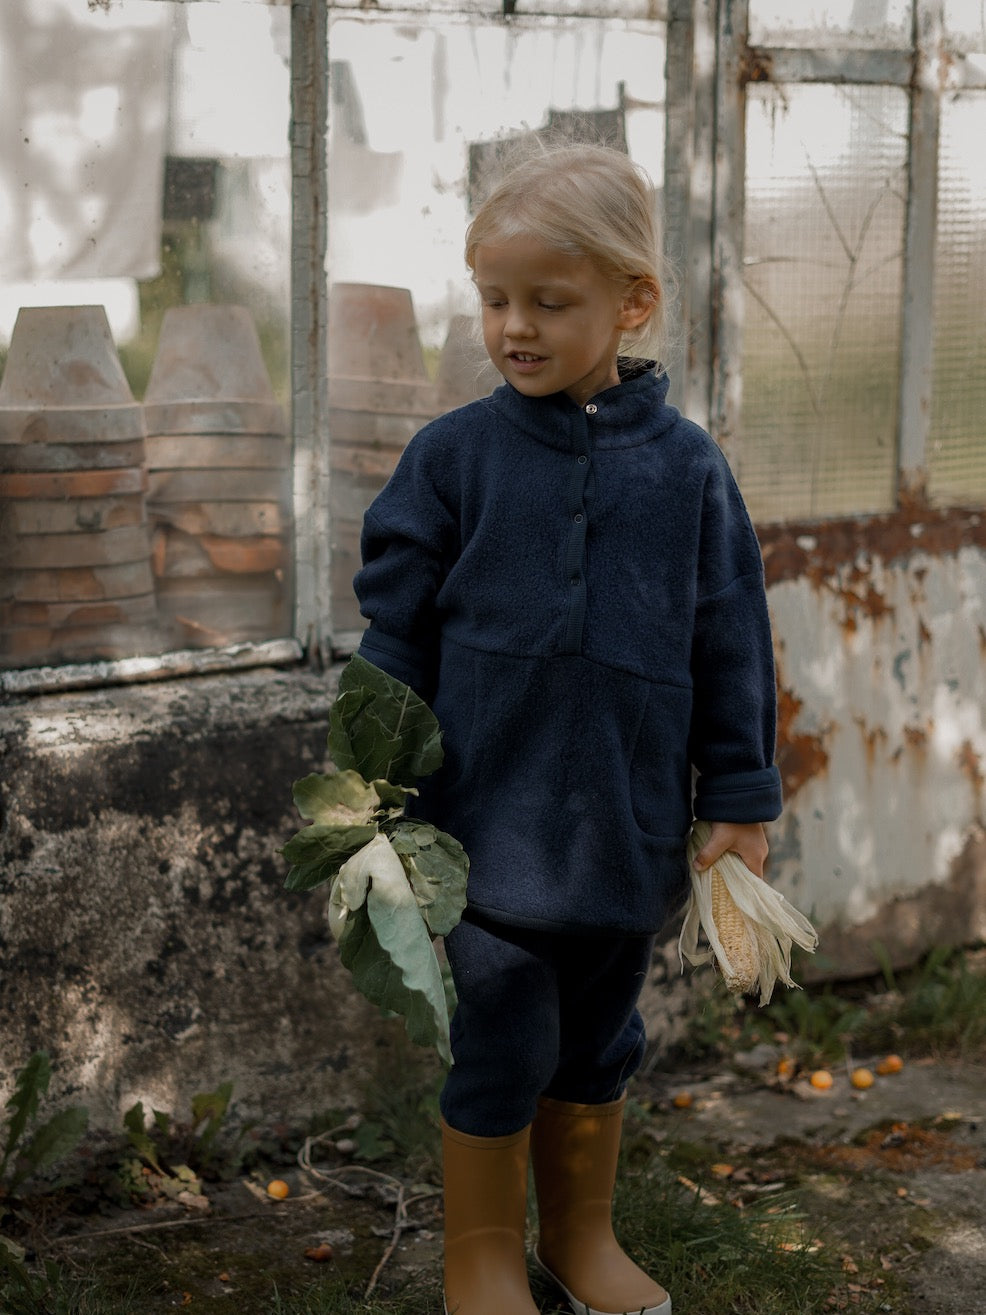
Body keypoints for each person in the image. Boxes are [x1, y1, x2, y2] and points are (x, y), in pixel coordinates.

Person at [353, 142, 783, 1315]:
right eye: (495, 300)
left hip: (627, 840)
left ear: (629, 302)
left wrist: (738, 797)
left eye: (549, 302)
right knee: (497, 1045)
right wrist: (373, 792)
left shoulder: (687, 471)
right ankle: (480, 1258)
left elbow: (729, 637)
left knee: (599, 1044)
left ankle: (578, 1242)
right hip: (482, 843)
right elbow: (392, 637)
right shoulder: (452, 459)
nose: (514, 328)